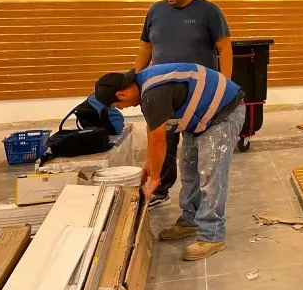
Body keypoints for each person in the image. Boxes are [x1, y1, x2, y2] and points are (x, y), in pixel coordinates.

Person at [94, 64, 245, 261]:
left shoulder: (152, 94)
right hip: (202, 116)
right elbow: (153, 129)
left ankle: (213, 235)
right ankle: (190, 220)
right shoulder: (145, 85)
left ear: (121, 94)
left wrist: (155, 178)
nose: (122, 109)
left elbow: (158, 140)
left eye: (117, 106)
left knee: (211, 174)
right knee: (189, 170)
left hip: (224, 113)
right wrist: (150, 164)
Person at [135, 0, 232, 208]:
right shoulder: (155, 11)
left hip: (197, 93)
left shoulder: (208, 11)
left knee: (196, 150)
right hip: (162, 90)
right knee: (163, 140)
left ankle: (199, 203)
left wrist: (225, 83)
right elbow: (146, 47)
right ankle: (161, 189)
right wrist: (137, 79)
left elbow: (224, 47)